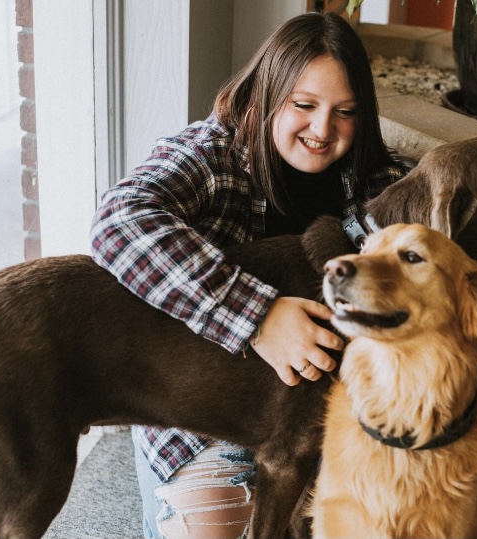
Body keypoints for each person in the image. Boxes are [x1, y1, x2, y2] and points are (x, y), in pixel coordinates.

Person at [89, 11, 410, 539]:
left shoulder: (374, 184)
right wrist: (257, 315)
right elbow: (119, 221)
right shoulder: (212, 155)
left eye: (345, 112)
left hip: (324, 416)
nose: (323, 128)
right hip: (202, 416)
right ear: (264, 94)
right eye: (304, 105)